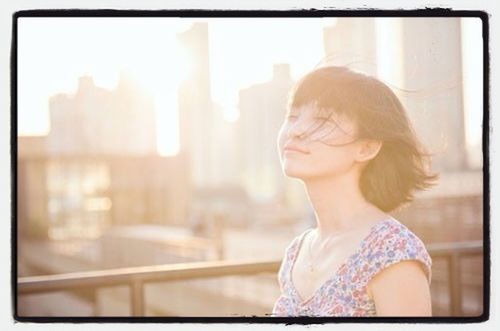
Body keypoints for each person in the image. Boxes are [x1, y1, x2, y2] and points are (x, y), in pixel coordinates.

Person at [272, 66, 438, 317]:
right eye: (293, 116)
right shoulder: (297, 251)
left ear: (367, 147)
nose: (296, 130)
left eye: (322, 120)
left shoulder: (391, 250)